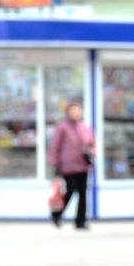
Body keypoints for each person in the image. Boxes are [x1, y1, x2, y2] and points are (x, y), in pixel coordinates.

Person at [48, 99, 93, 231]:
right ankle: (57, 214)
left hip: (83, 166)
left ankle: (80, 221)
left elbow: (92, 144)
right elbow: (55, 146)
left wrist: (92, 154)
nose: (76, 112)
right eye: (73, 110)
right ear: (68, 112)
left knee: (83, 194)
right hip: (67, 166)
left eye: (78, 110)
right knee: (70, 191)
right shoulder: (62, 127)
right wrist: (55, 164)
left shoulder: (85, 127)